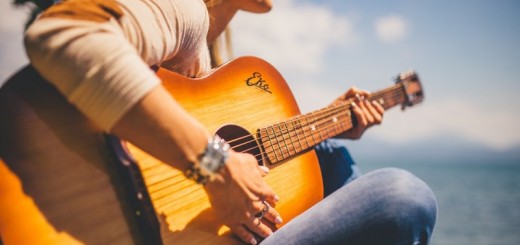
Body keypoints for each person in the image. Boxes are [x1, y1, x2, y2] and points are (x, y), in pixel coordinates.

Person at [22, 0, 437, 244]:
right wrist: (215, 167)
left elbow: (225, 137)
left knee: (332, 154)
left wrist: (330, 122)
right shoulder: (184, 10)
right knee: (402, 194)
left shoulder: (211, 62)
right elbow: (64, 31)